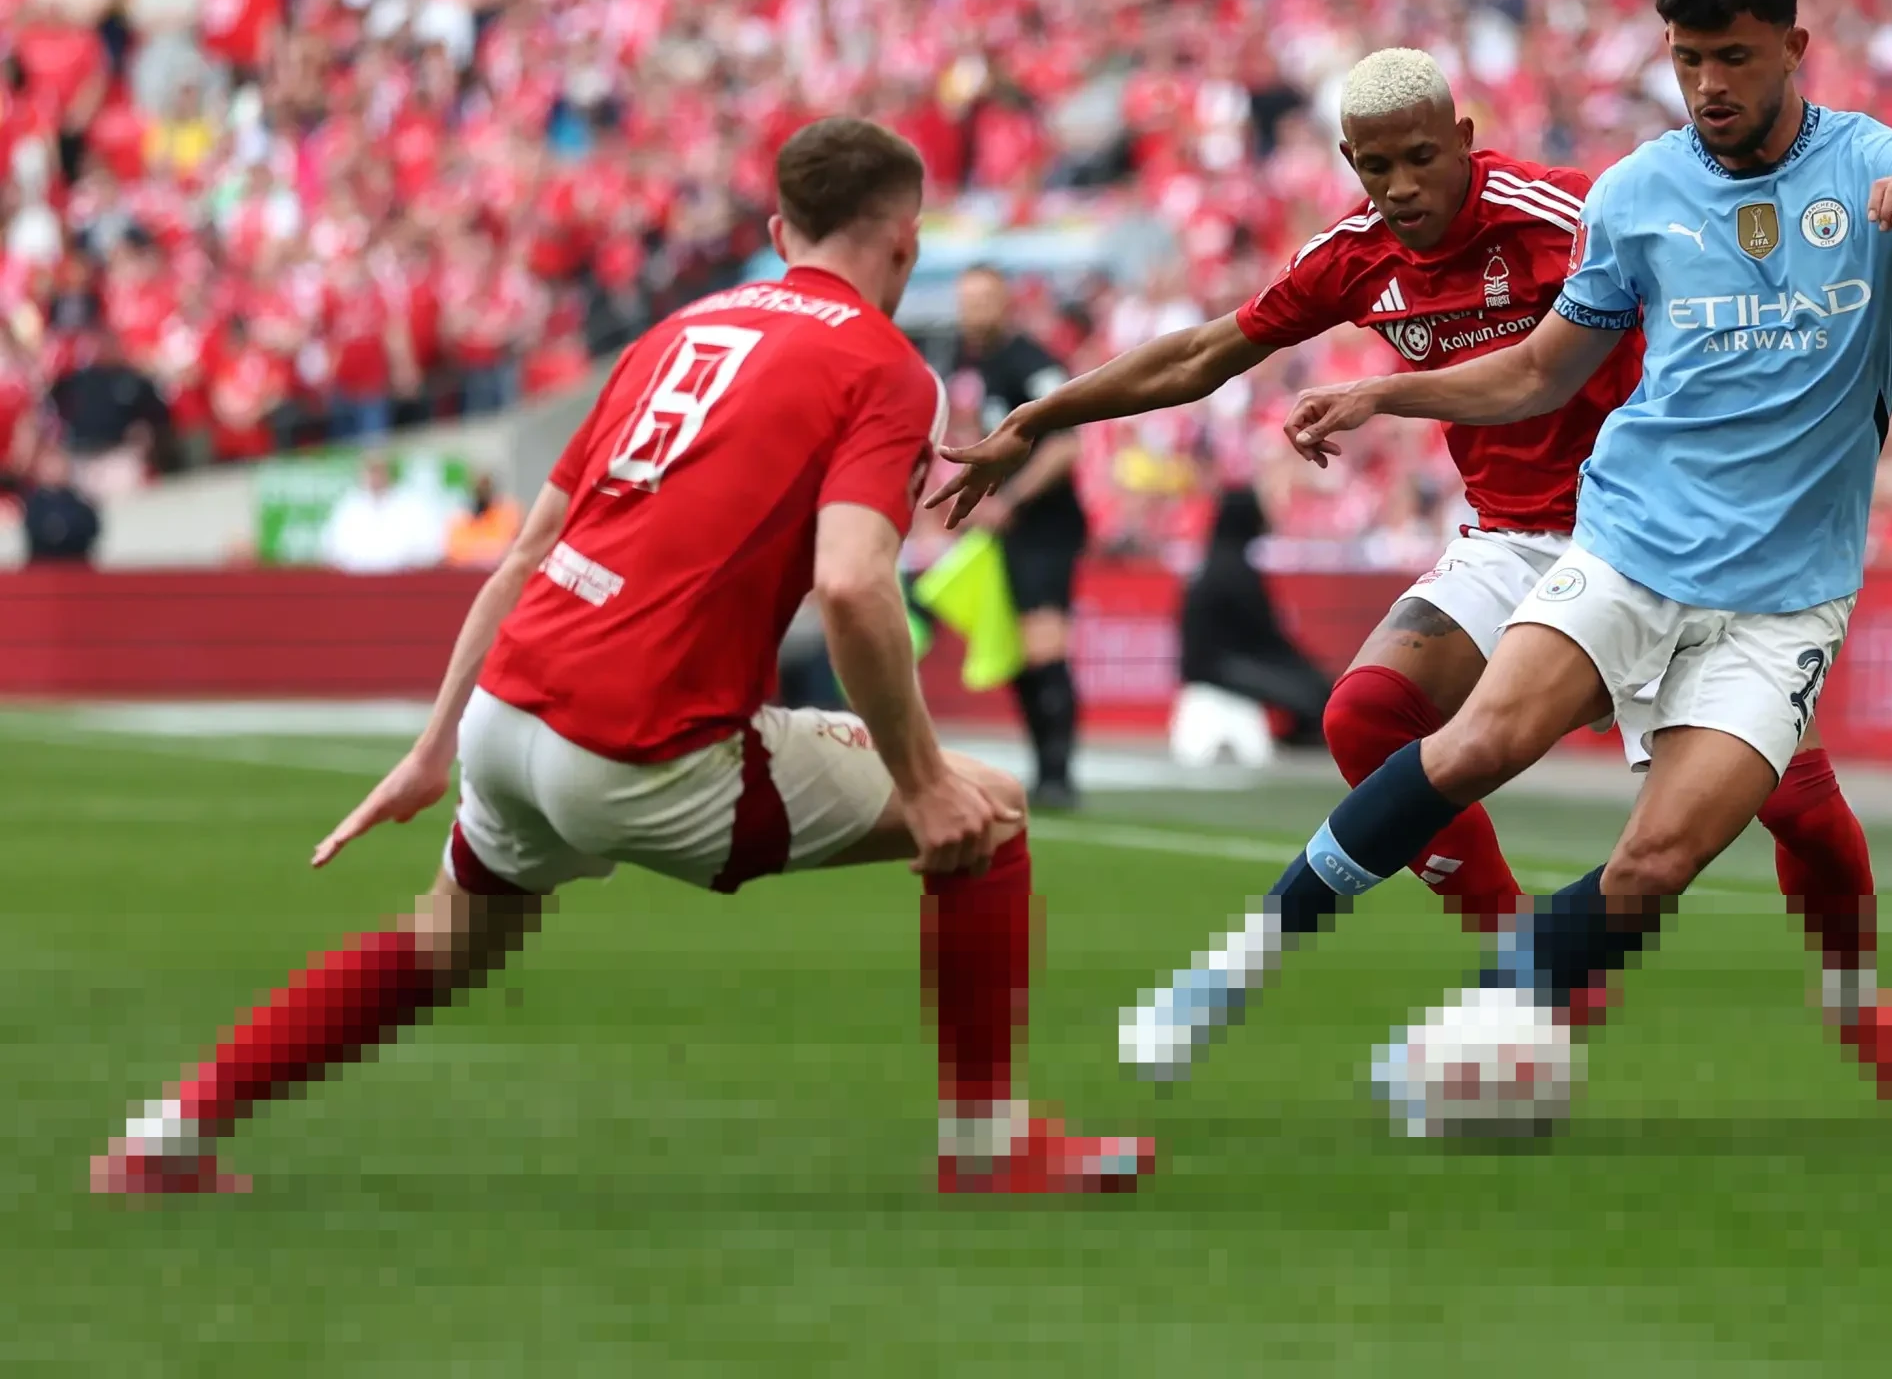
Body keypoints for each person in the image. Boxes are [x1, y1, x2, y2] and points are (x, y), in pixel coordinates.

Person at [92, 118, 1151, 1198]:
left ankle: (167, 1133)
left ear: (780, 229)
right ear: (908, 244)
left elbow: (527, 549)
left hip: (510, 714)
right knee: (989, 807)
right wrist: (922, 782)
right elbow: (851, 580)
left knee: (443, 939)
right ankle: (987, 1143)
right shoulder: (887, 367)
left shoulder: (674, 331)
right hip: (645, 742)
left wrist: (433, 747)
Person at [1156, 0, 1892, 1125]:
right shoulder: (1636, 192)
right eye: (1687, 61)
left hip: (1783, 599)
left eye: (1733, 58)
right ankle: (1237, 964)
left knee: (1659, 864)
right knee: (1468, 743)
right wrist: (1386, 390)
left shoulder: (1884, 167)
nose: (1709, 87)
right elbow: (1535, 372)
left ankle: (1769, 1000)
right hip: (1625, 548)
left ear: (1794, 47)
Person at [939, 45, 1892, 1103]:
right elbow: (1201, 354)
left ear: (1462, 139)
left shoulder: (1566, 216)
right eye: (1373, 168)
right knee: (1365, 715)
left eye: (1418, 159)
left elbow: (1701, 286)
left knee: (1805, 814)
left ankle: (1859, 1001)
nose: (1400, 188)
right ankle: (1526, 967)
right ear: (1348, 162)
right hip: (1510, 537)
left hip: (1653, 536)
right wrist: (1036, 417)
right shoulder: (1357, 257)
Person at [950, 264, 1088, 809]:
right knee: (1018, 651)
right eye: (966, 299)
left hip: (1046, 526)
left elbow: (1065, 445)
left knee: (1043, 644)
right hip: (1008, 529)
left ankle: (1058, 775)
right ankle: (1043, 770)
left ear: (1006, 303)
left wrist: (1010, 499)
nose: (972, 309)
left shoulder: (1032, 362)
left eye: (983, 298)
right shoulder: (975, 363)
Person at [1179, 485, 1335, 745]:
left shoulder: (1212, 564)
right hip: (1219, 667)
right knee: (1311, 691)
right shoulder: (1234, 571)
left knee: (1306, 685)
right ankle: (1300, 741)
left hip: (1212, 663)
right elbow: (1265, 634)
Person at [320, 453, 448, 574]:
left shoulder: (412, 503)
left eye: (379, 470)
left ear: (390, 472)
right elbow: (331, 549)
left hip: (404, 581)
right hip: (356, 583)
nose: (375, 476)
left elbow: (431, 548)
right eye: (371, 471)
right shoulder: (348, 506)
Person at [19, 443, 102, 564]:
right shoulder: (31, 503)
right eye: (49, 465)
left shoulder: (80, 502)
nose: (54, 470)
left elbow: (91, 528)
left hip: (76, 567)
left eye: (58, 464)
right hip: (41, 567)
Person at [443, 471, 524, 569]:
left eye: (485, 488)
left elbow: (506, 547)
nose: (482, 493)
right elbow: (455, 551)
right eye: (478, 489)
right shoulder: (461, 519)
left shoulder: (507, 513)